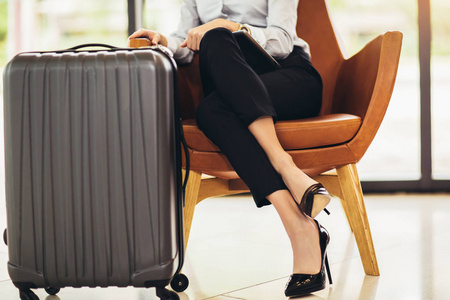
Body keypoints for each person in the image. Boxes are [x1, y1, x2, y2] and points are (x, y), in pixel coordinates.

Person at [128, 0, 332, 297]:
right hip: (228, 84)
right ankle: (298, 221)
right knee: (211, 101)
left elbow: (284, 41)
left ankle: (283, 166)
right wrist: (164, 42)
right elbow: (186, 45)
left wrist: (233, 27)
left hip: (288, 77)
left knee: (217, 46)